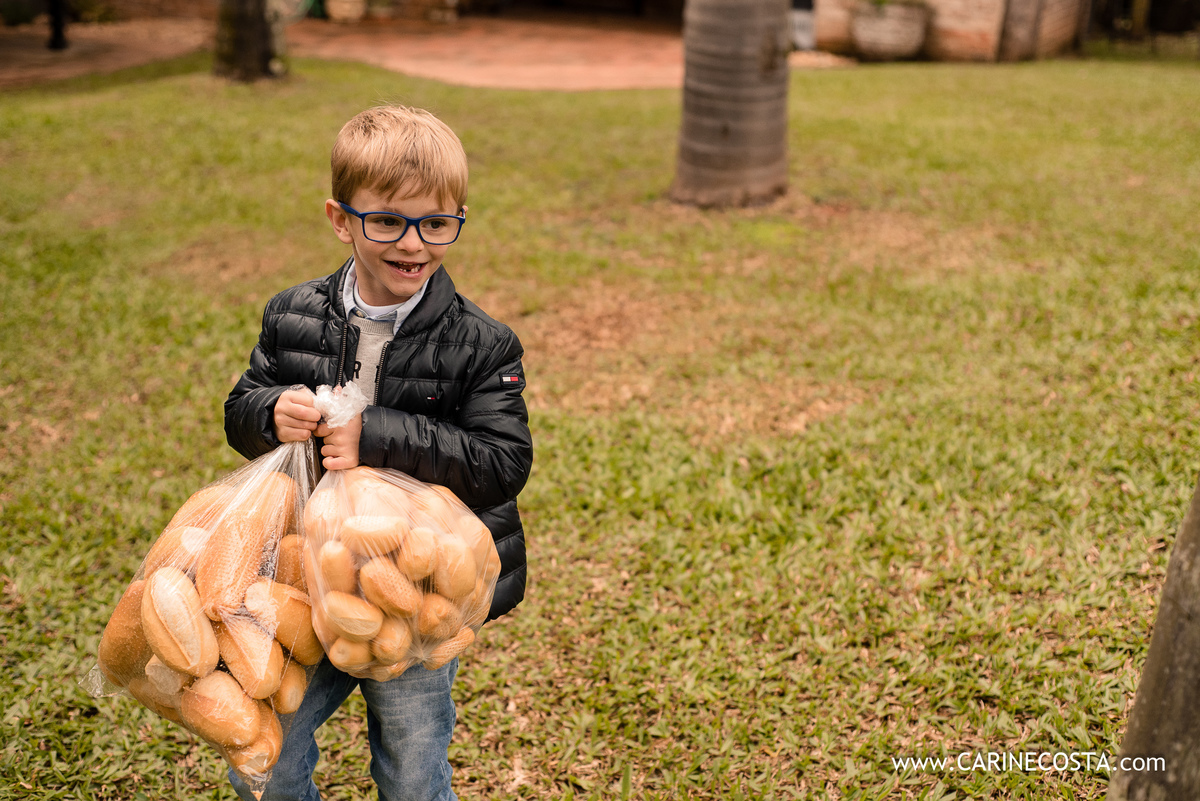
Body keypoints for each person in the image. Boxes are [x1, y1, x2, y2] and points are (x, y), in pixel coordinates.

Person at [223, 104, 534, 801]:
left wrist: (377, 432)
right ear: (342, 219)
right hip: (307, 573)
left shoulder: (482, 343)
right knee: (264, 751)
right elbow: (241, 412)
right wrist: (270, 412)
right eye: (388, 220)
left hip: (418, 591)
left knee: (412, 766)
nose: (414, 243)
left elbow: (502, 461)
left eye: (437, 222)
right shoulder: (292, 314)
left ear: (458, 218)